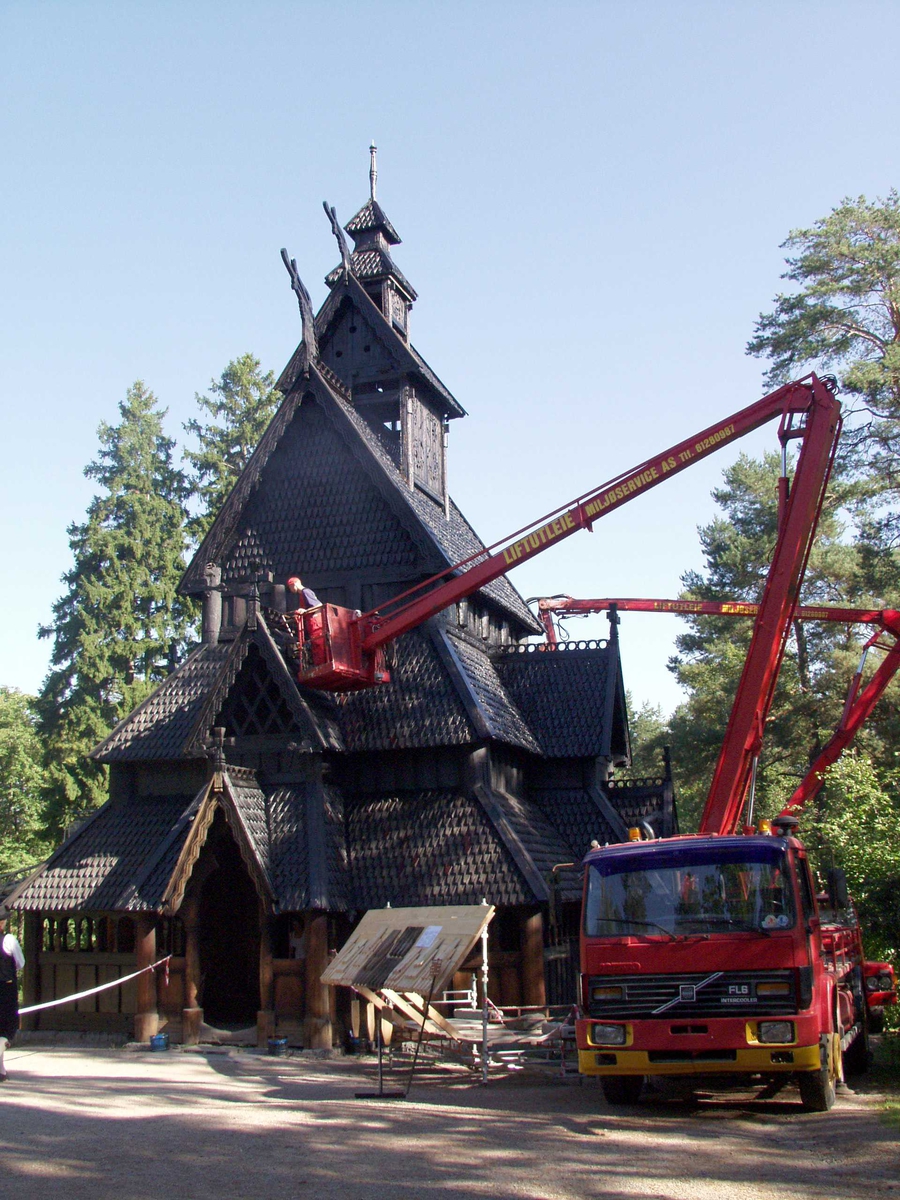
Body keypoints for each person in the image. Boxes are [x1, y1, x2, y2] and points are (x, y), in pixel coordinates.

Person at [0, 905, 25, 1082]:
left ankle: (1, 1071)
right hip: (5, 988)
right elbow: (21, 963)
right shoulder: (8, 940)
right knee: (5, 1029)